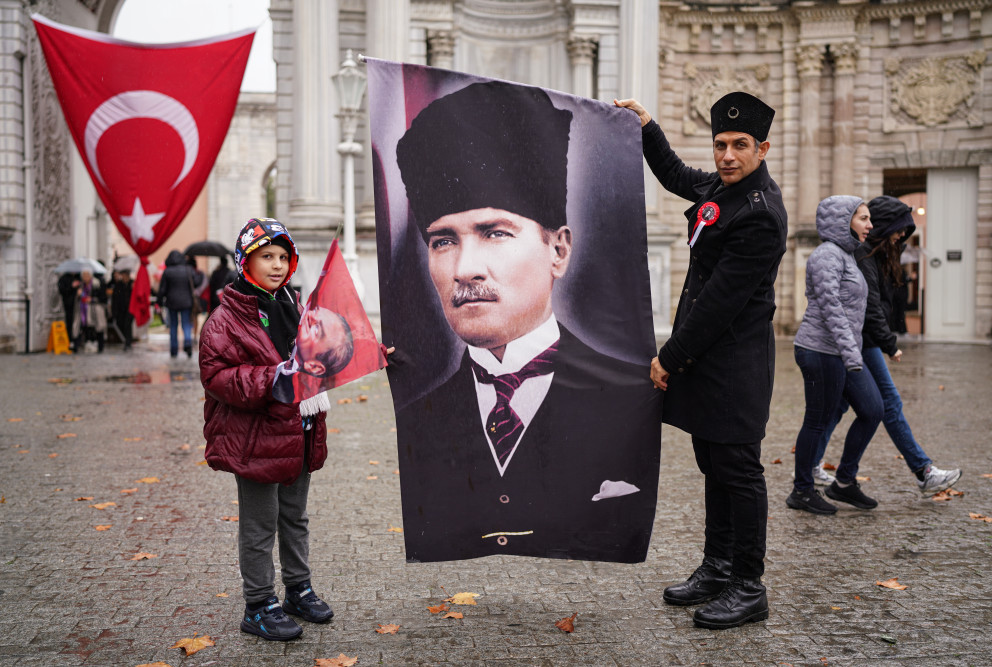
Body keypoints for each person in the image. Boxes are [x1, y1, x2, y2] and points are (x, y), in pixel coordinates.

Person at [392, 80, 662, 564]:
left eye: (494, 232)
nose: (464, 269)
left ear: (557, 250)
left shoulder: (627, 398)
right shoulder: (416, 417)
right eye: (442, 241)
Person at [615, 91, 787, 629]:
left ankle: (748, 584)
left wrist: (671, 356)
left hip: (733, 364)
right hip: (709, 363)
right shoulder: (721, 185)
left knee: (739, 470)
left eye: (740, 146)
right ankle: (716, 567)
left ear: (762, 148)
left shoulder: (760, 213)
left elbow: (720, 303)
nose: (727, 156)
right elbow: (674, 176)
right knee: (713, 464)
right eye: (720, 145)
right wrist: (646, 126)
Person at [200, 217, 334, 642]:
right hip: (257, 437)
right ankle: (258, 605)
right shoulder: (227, 316)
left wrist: (364, 353)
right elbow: (217, 375)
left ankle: (298, 589)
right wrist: (272, 379)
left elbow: (319, 353)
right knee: (260, 525)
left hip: (299, 427)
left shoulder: (293, 304)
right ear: (245, 262)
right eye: (266, 257)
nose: (277, 265)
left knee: (295, 517)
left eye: (282, 257)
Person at [811, 196, 961, 494]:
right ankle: (923, 470)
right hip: (861, 343)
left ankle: (811, 468)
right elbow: (870, 308)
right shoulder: (862, 256)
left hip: (859, 342)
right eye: (898, 230)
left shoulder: (876, 254)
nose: (900, 237)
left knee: (838, 406)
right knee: (888, 404)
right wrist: (889, 344)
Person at [787, 196, 884, 518]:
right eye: (863, 218)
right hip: (821, 351)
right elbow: (831, 308)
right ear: (843, 220)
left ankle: (843, 482)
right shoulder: (827, 256)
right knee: (817, 420)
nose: (869, 225)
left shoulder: (846, 255)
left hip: (842, 352)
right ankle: (801, 490)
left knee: (873, 409)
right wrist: (851, 354)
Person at [157, 250, 196, 358]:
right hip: (186, 302)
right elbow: (196, 282)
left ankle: (174, 349)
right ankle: (187, 342)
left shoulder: (167, 271)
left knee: (173, 326)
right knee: (186, 324)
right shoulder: (188, 269)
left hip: (171, 302)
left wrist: (159, 302)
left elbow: (162, 289)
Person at [71, 270, 107, 353]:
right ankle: (77, 345)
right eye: (84, 275)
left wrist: (92, 299)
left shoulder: (97, 284)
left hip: (94, 309)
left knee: (98, 327)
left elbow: (102, 297)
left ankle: (100, 346)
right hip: (83, 309)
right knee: (79, 326)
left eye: (87, 275)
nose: (85, 277)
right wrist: (78, 293)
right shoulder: (80, 285)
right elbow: (77, 298)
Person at [110, 270, 134, 351]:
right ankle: (126, 340)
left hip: (130, 308)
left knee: (128, 325)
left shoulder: (132, 284)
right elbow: (115, 298)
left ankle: (128, 342)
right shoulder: (118, 285)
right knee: (121, 324)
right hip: (120, 309)